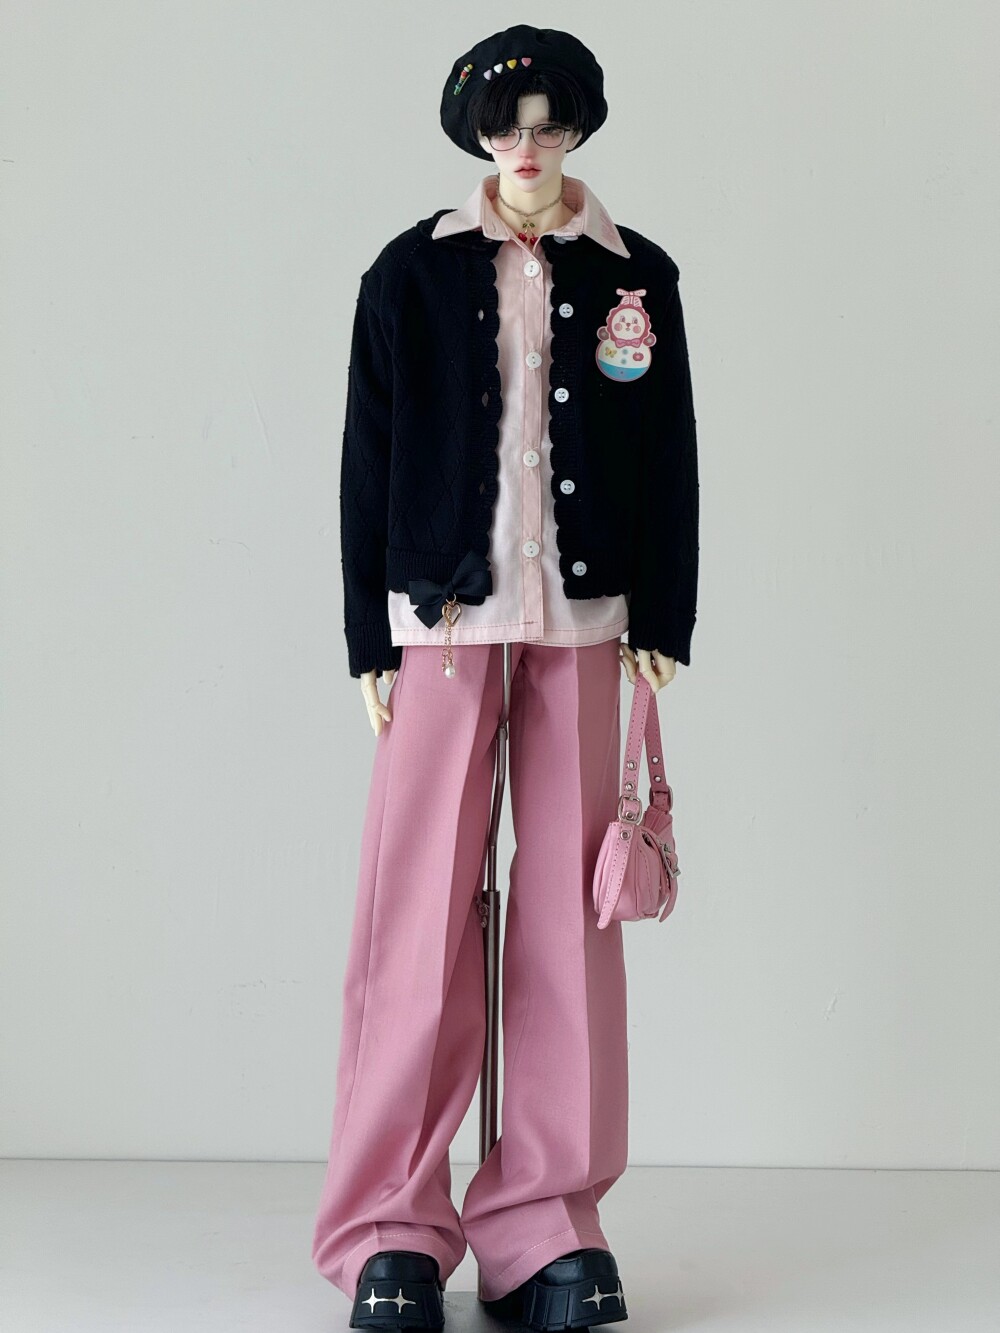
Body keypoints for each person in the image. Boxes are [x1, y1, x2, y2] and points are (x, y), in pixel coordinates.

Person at [311, 24, 699, 1332]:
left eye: (546, 123)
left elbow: (670, 454)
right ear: (476, 133)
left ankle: (546, 1220)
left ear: (578, 126)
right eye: (504, 126)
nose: (525, 147)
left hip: (587, 623)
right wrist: (367, 634)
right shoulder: (410, 272)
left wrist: (666, 613)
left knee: (571, 923)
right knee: (415, 911)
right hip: (437, 622)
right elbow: (367, 456)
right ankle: (392, 1223)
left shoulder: (637, 275)